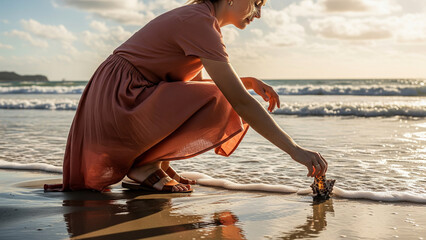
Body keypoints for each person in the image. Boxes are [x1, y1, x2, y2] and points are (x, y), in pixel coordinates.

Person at [45, 0, 328, 193]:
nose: (258, 13)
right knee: (224, 102)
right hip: (120, 100)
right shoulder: (198, 23)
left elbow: (194, 89)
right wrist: (295, 150)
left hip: (117, 97)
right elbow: (237, 100)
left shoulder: (200, 20)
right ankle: (144, 166)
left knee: (216, 97)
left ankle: (151, 164)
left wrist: (248, 81)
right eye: (256, 2)